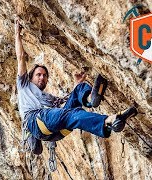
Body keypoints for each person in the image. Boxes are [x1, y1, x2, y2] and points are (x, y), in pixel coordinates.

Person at [15, 17, 137, 147]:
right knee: (73, 114)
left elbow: (66, 102)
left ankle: (91, 99)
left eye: (45, 76)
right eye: (38, 75)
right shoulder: (24, 85)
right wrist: (17, 33)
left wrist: (76, 85)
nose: (42, 78)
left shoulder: (47, 98)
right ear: (30, 77)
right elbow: (21, 57)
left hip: (56, 132)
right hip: (35, 121)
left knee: (79, 90)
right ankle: (109, 121)